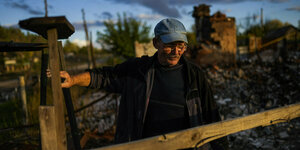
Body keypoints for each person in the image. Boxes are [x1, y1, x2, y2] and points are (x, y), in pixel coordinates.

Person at [59, 18, 228, 149]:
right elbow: (104, 76)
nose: (177, 51)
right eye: (170, 45)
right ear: (156, 43)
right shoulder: (138, 70)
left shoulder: (194, 75)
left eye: (181, 46)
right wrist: (73, 80)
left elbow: (212, 116)